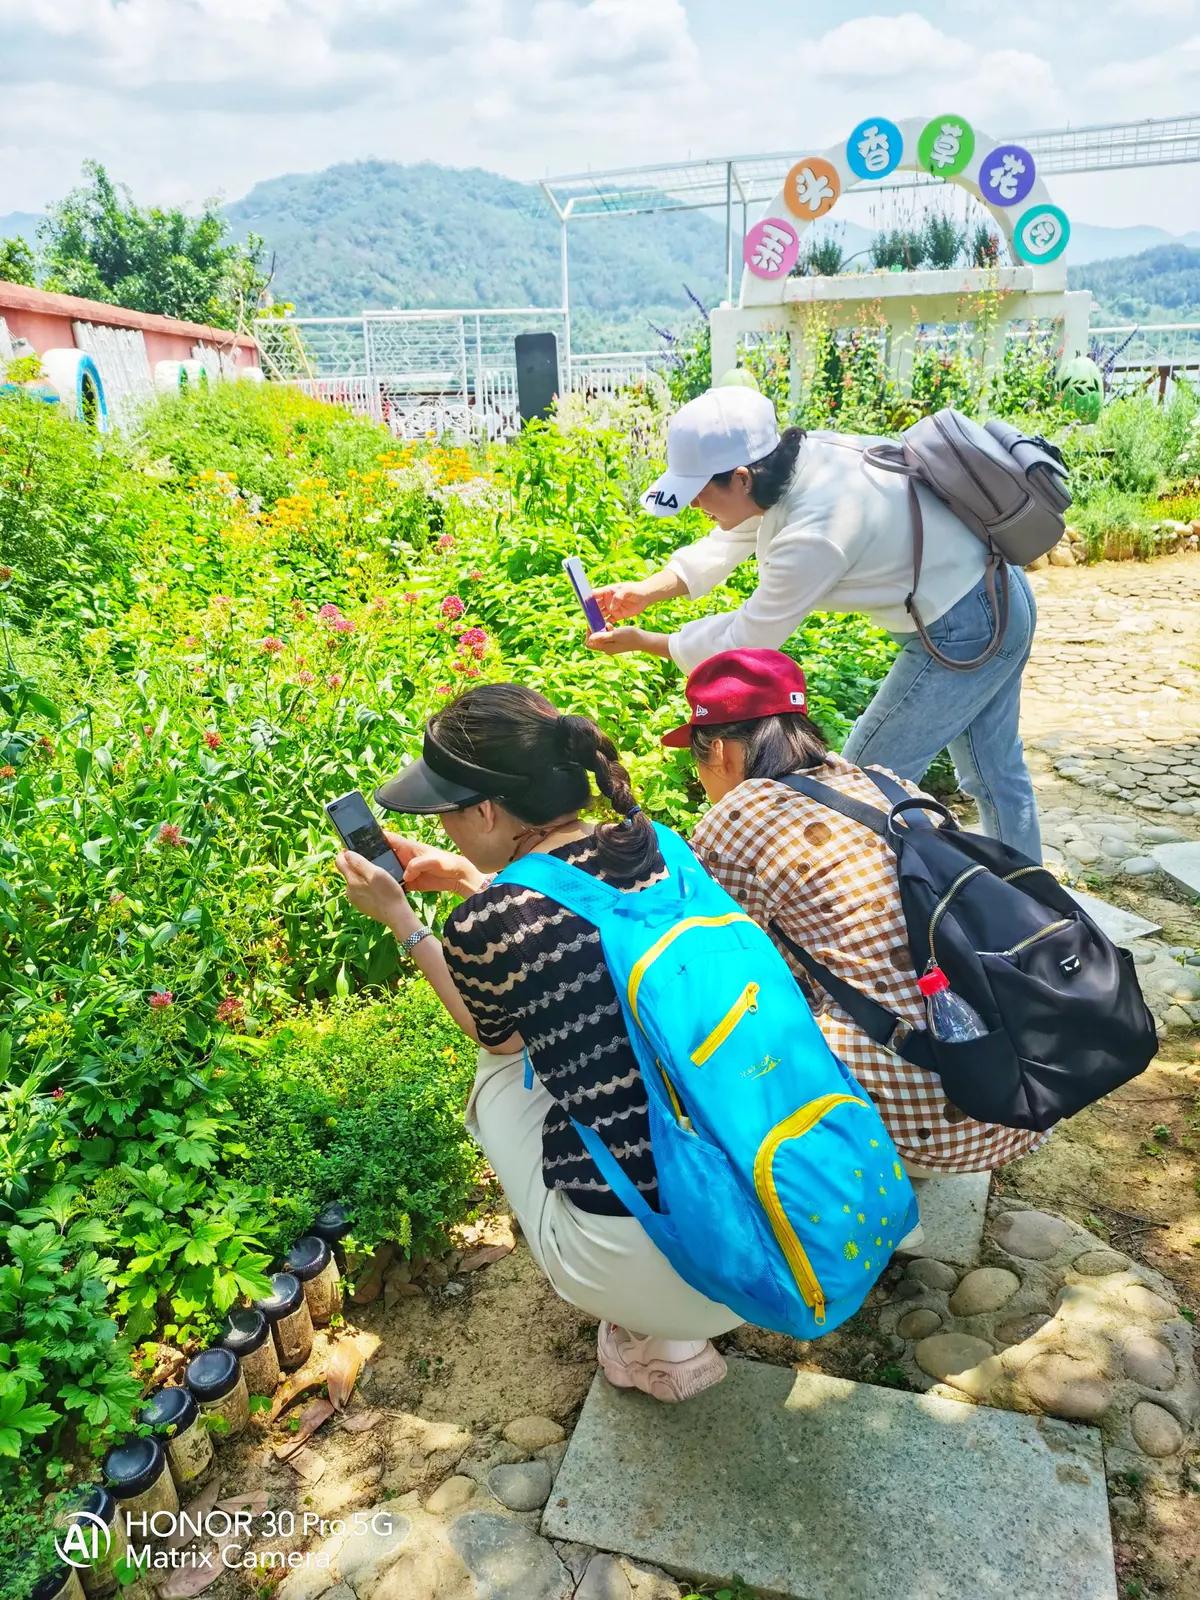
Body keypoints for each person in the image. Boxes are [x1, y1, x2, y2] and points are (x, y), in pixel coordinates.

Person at [334, 683, 741, 1404]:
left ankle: (651, 1333)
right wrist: (472, 880)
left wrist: (405, 919)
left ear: (487, 811)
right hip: (761, 1223)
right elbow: (582, 926)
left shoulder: (492, 922)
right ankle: (671, 1333)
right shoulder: (660, 846)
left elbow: (494, 1034)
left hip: (645, 1267)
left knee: (501, 1078)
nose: (447, 828)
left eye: (449, 813)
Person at [588, 385, 1042, 863]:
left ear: (740, 477)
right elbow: (736, 532)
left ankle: (894, 913)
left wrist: (645, 642)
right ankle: (1034, 906)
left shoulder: (816, 532)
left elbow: (747, 639)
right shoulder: (801, 461)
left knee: (866, 783)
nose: (697, 506)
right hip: (994, 593)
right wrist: (647, 591)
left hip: (968, 625)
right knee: (995, 776)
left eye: (700, 493)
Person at [661, 646, 1047, 1177]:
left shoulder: (733, 820)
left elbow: (710, 973)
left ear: (722, 752)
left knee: (706, 1017)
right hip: (1015, 1092)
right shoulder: (888, 785)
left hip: (924, 1131)